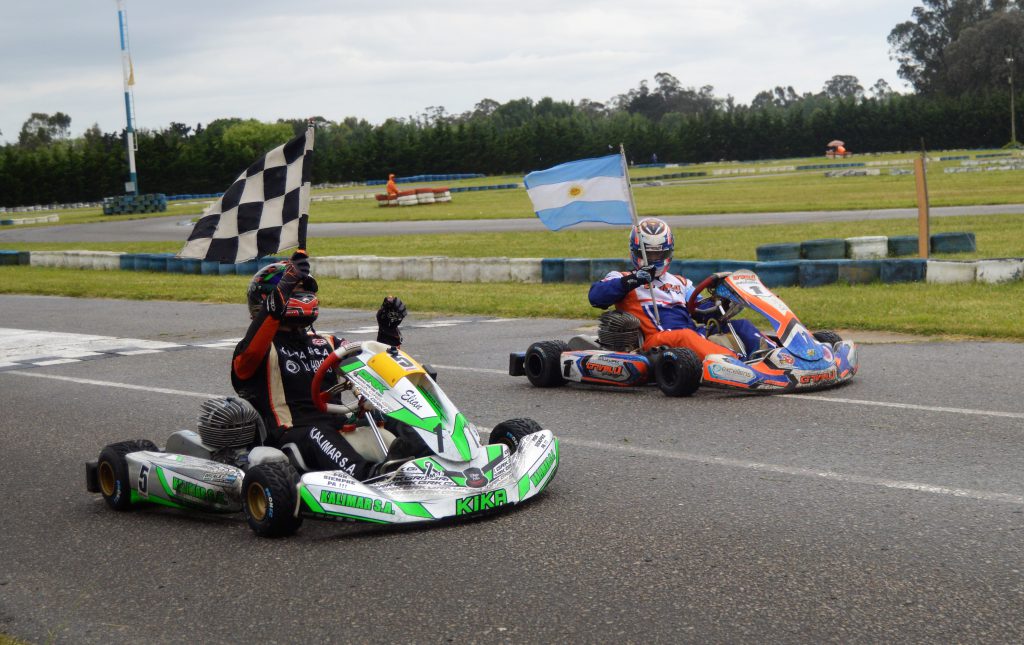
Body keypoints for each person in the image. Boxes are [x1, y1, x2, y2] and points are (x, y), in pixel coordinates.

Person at [231, 250, 412, 480]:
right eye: (296, 291)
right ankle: (370, 476)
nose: (305, 296)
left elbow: (378, 369)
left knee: (395, 414)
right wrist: (285, 285)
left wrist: (388, 331)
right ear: (268, 299)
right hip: (293, 435)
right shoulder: (257, 350)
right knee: (319, 433)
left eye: (306, 291)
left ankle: (429, 460)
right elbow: (250, 352)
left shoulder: (328, 343)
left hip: (337, 426)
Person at [588, 218, 764, 361]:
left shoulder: (681, 282)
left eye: (658, 254)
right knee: (686, 336)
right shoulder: (621, 277)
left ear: (668, 253)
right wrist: (632, 281)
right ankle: (734, 364)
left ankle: (771, 357)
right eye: (648, 254)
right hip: (656, 340)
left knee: (741, 325)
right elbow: (596, 296)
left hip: (693, 336)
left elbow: (704, 313)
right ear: (635, 253)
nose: (653, 259)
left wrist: (723, 305)